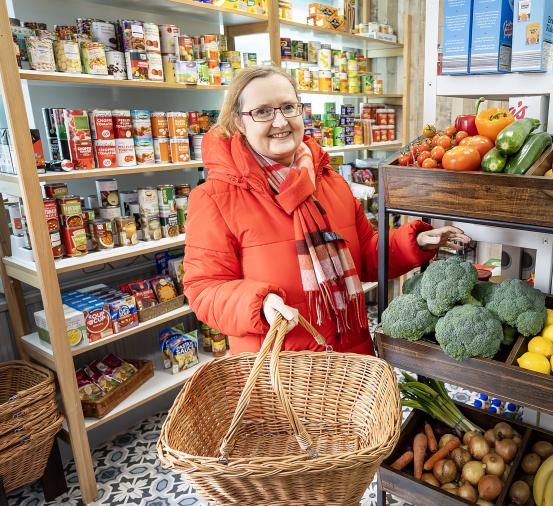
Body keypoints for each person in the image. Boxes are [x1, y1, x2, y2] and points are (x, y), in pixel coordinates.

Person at [183, 67, 470, 355]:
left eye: (288, 107)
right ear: (239, 123)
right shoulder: (214, 198)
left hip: (350, 361)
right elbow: (204, 290)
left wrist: (414, 242)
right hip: (279, 373)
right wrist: (258, 304)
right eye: (262, 112)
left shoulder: (330, 181)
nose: (280, 121)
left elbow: (368, 258)